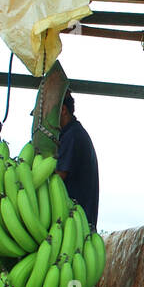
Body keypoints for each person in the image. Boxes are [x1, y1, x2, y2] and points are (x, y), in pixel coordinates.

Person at [56, 91, 99, 230]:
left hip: (77, 226)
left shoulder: (72, 136)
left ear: (63, 110)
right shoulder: (72, 133)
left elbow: (57, 179)